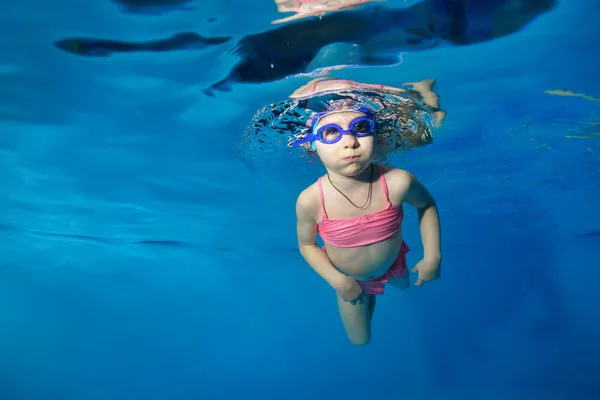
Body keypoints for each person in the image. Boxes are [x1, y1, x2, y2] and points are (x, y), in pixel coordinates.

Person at [293, 98, 442, 346]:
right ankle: (367, 296)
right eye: (331, 133)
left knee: (404, 286)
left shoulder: (398, 182)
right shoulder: (310, 201)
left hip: (393, 264)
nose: (350, 142)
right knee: (360, 339)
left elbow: (426, 205)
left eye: (361, 128)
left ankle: (424, 96)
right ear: (312, 146)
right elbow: (307, 245)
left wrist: (433, 257)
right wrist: (338, 281)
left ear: (376, 135)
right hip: (349, 278)